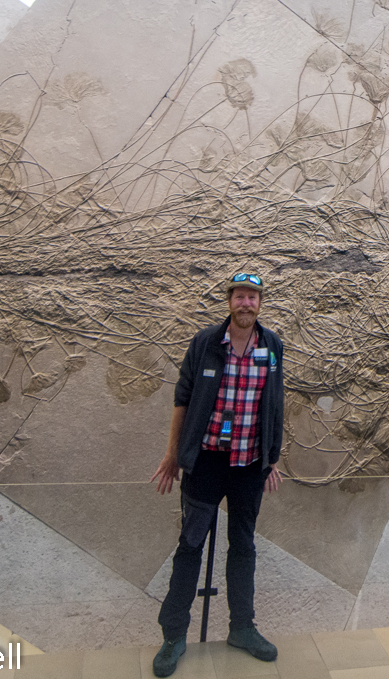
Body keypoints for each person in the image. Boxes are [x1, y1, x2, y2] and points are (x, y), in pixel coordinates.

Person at [149, 271, 285, 677]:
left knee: (243, 547)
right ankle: (173, 636)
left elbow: (276, 403)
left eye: (253, 297)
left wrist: (271, 458)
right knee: (190, 546)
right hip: (206, 463)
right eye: (240, 296)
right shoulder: (206, 343)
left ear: (260, 303)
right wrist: (174, 455)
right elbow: (183, 399)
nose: (246, 303)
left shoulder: (272, 346)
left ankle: (242, 628)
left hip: (248, 467)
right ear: (230, 301)